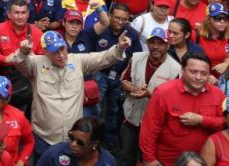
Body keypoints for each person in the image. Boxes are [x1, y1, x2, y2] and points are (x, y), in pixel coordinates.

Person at [13, 29, 132, 158]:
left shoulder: (77, 61)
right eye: (55, 52)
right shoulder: (36, 64)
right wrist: (23, 52)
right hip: (44, 139)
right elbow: (20, 63)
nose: (61, 55)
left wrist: (119, 47)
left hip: (73, 139)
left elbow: (102, 58)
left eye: (62, 49)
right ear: (45, 52)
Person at [140, 52, 225, 166]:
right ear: (182, 71)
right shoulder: (163, 92)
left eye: (204, 73)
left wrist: (202, 120)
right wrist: (149, 158)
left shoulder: (218, 95)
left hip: (203, 161)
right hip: (167, 161)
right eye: (193, 72)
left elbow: (225, 124)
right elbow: (149, 129)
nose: (198, 77)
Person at [119, 27, 181, 166]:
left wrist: (149, 95)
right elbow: (123, 81)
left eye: (161, 43)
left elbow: (173, 102)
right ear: (147, 43)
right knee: (126, 157)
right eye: (152, 42)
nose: (156, 47)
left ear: (168, 45)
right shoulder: (136, 57)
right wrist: (134, 89)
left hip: (155, 126)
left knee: (147, 160)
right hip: (131, 119)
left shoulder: (176, 69)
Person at [35, 117, 115, 166]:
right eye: (71, 137)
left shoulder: (107, 161)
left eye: (80, 143)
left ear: (95, 144)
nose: (73, 144)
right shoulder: (53, 154)